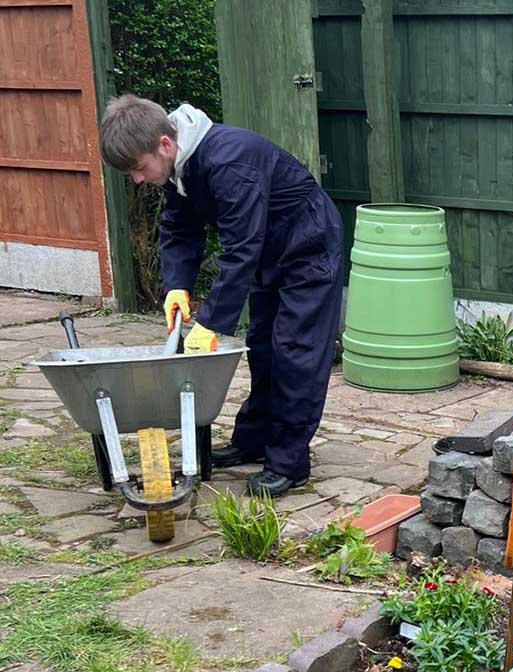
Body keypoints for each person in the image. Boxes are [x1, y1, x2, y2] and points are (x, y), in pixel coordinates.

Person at [99, 95, 343, 498]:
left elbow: (242, 247)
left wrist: (211, 323)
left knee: (295, 352)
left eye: (139, 168)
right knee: (262, 346)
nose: (138, 179)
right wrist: (177, 286)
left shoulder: (229, 162)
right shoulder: (180, 167)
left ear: (164, 144)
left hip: (308, 248)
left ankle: (288, 463)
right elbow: (179, 228)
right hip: (271, 251)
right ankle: (253, 440)